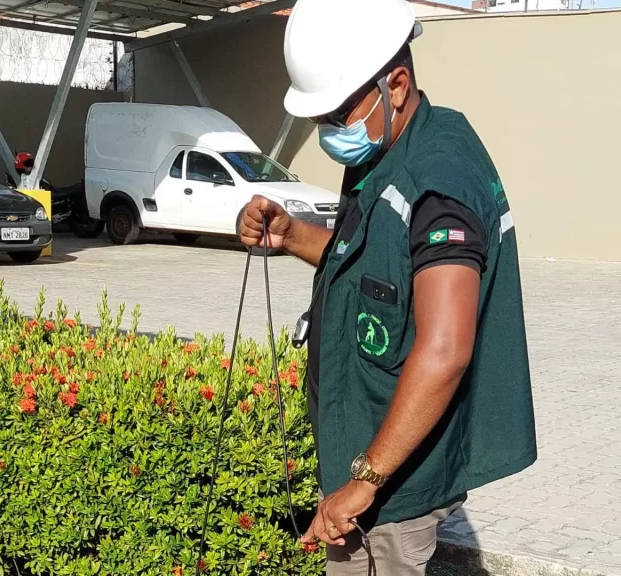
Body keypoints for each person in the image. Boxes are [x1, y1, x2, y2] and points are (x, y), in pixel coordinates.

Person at [238, 0, 537, 573]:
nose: (328, 132)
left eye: (337, 116)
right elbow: (376, 271)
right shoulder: (388, 147)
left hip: (391, 491)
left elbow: (445, 350)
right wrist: (294, 235)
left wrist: (364, 481)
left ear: (394, 85)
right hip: (363, 457)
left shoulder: (439, 181)